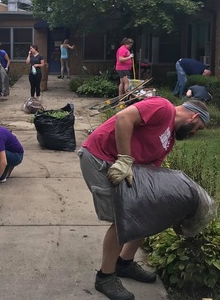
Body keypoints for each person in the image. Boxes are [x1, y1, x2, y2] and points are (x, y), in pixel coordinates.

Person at [78, 98, 210, 300]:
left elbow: (150, 171)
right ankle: (105, 277)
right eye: (198, 128)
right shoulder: (163, 108)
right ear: (194, 116)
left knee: (147, 208)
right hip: (99, 157)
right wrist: (125, 159)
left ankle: (124, 263)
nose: (194, 133)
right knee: (119, 219)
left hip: (122, 166)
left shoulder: (169, 140)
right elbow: (123, 117)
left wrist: (169, 207)